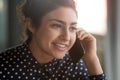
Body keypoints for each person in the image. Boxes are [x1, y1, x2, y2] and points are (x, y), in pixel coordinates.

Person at [0, 0, 107, 80]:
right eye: (56, 26)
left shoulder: (74, 66)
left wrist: (92, 59)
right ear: (31, 25)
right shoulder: (4, 67)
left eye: (72, 28)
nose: (66, 37)